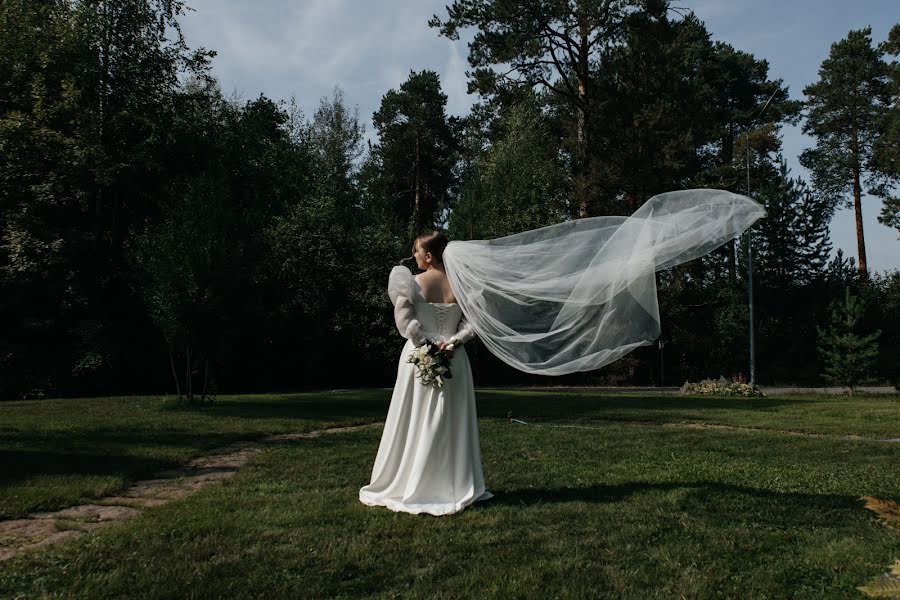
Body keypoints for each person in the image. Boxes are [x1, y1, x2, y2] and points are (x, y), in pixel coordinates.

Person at [359, 231, 492, 516]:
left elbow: (405, 321)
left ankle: (412, 480)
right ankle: (452, 482)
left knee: (414, 417)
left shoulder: (413, 283)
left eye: (416, 251)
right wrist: (453, 342)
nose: (414, 256)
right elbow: (472, 324)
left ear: (429, 255)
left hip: (419, 356)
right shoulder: (462, 286)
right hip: (455, 358)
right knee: (451, 420)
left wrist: (427, 346)